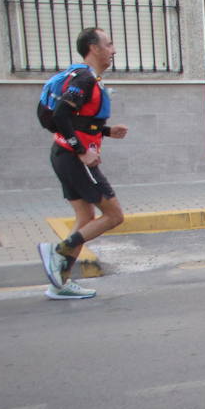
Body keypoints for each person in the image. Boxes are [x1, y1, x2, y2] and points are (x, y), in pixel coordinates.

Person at [37, 27, 129, 300]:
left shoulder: (85, 77)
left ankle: (59, 283)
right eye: (109, 44)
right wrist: (82, 152)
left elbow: (77, 120)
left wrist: (106, 131)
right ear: (94, 48)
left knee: (86, 218)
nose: (113, 50)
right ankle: (58, 251)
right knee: (114, 215)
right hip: (73, 158)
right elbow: (62, 115)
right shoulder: (85, 79)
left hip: (62, 155)